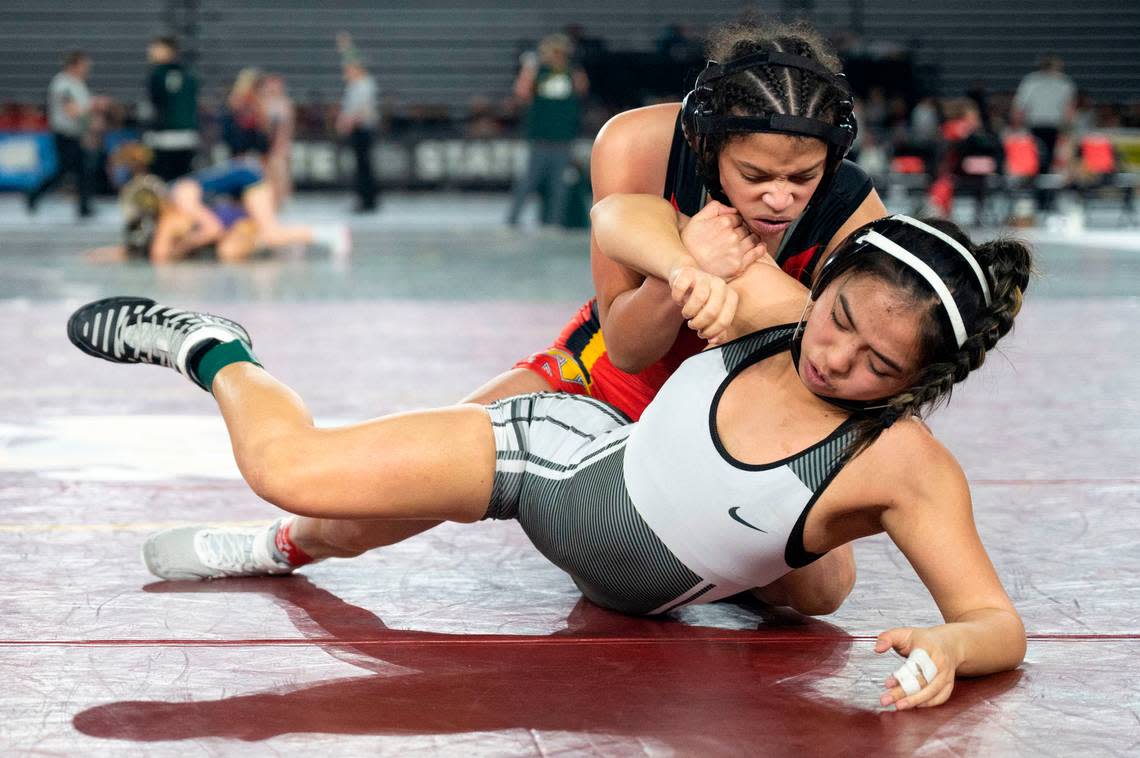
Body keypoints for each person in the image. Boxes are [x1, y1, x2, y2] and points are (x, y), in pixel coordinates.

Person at [66, 213, 1031, 710]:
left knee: (819, 586)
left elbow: (997, 624)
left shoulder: (908, 465)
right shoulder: (777, 311)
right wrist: (688, 260)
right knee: (298, 477)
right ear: (826, 282)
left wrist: (952, 645)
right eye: (842, 318)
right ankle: (214, 347)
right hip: (553, 457)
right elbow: (616, 217)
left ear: (920, 382)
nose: (835, 356)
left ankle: (290, 544)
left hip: (651, 571)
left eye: (878, 365)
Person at [87, 158, 348, 264]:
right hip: (242, 183)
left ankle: (331, 234)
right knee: (263, 232)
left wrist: (185, 245)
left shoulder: (183, 197)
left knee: (271, 233)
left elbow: (214, 227)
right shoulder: (178, 196)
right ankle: (301, 241)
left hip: (249, 180)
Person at [505, 33, 589, 228]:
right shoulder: (538, 72)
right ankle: (513, 219)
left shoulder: (572, 73)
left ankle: (554, 222)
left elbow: (582, 90)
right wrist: (528, 68)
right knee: (529, 181)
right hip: (540, 136)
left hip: (563, 136)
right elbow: (521, 93)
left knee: (559, 184)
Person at [26, 51, 102, 218]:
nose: (87, 69)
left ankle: (84, 207)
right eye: (84, 65)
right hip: (64, 134)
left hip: (75, 133)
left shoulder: (77, 83)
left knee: (83, 169)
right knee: (63, 171)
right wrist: (93, 105)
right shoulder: (63, 85)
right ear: (74, 65)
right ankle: (33, 195)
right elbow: (72, 111)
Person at [144, 36, 199, 181]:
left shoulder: (157, 74)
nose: (151, 52)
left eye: (156, 48)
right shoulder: (189, 73)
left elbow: (157, 104)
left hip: (164, 136)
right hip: (187, 136)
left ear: (169, 51)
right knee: (182, 183)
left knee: (162, 181)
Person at [335, 33, 380, 213]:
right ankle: (365, 199)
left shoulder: (364, 84)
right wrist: (346, 49)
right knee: (362, 166)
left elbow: (360, 110)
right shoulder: (357, 84)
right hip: (358, 129)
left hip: (362, 129)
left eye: (350, 69)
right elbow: (351, 59)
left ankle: (367, 201)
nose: (346, 71)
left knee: (364, 167)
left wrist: (347, 122)